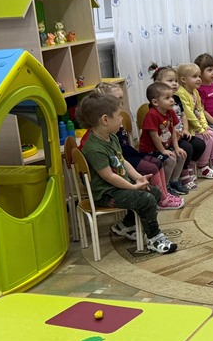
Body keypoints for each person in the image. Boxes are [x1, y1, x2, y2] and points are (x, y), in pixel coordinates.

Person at [76, 91, 177, 254]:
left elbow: (122, 161)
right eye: (118, 115)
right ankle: (154, 238)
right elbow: (109, 176)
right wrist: (133, 187)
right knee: (146, 199)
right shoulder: (93, 148)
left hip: (118, 188)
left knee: (155, 192)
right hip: (106, 194)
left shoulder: (112, 137)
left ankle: (126, 225)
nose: (122, 119)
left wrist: (138, 178)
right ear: (105, 120)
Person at [87, 82, 184, 210]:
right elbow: (109, 167)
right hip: (121, 163)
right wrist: (133, 184)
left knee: (157, 165)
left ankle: (163, 194)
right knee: (152, 168)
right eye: (117, 99)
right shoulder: (100, 135)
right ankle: (162, 200)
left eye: (122, 98)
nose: (121, 103)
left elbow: (121, 155)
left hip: (127, 155)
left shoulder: (114, 124)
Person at [150, 64, 206, 190]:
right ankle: (184, 175)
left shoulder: (176, 99)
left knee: (199, 144)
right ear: (158, 84)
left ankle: (188, 168)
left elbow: (183, 115)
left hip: (178, 134)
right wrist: (175, 133)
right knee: (187, 148)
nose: (175, 84)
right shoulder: (156, 105)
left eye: (176, 80)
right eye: (170, 81)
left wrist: (185, 129)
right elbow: (159, 128)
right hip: (166, 139)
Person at [138, 82, 190, 199]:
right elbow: (154, 136)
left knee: (181, 154)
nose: (172, 100)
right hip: (150, 150)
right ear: (155, 102)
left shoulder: (170, 111)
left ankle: (174, 181)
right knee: (170, 160)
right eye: (167, 98)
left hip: (164, 146)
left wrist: (176, 147)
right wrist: (163, 151)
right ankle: (164, 187)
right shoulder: (152, 114)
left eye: (171, 97)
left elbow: (173, 131)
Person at [176, 62, 213, 179]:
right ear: (183, 80)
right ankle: (202, 166)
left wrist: (204, 126)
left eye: (199, 76)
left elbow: (200, 110)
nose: (199, 79)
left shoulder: (195, 92)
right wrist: (200, 129)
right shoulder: (181, 93)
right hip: (190, 128)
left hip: (197, 126)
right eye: (194, 76)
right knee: (207, 138)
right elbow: (189, 114)